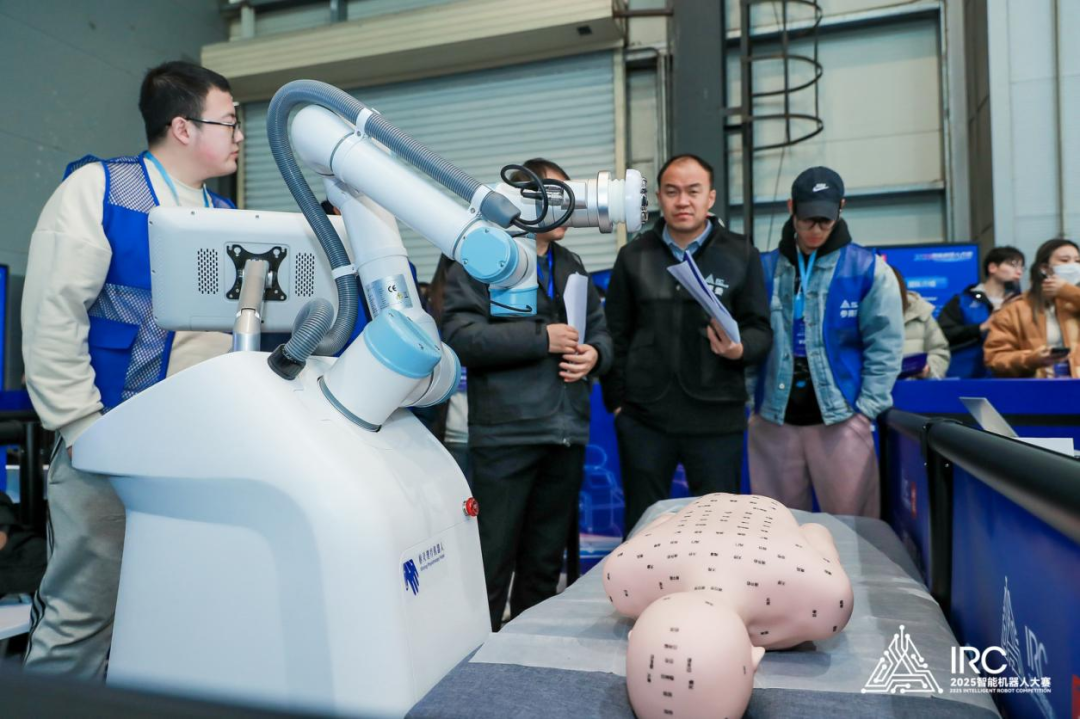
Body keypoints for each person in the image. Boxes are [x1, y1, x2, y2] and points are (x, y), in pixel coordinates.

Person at [21, 61, 242, 678]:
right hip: (108, 444)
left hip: (198, 452)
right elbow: (52, 314)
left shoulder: (226, 214)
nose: (239, 135)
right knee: (82, 617)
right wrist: (82, 428)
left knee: (180, 615)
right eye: (229, 121)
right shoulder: (102, 189)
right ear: (183, 127)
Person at [441, 158, 612, 631]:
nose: (566, 209)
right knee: (491, 562)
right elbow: (460, 336)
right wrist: (542, 339)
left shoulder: (571, 264)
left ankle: (529, 657)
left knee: (543, 566)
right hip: (506, 436)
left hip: (565, 435)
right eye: (554, 198)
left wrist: (594, 355)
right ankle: (475, 658)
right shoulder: (481, 256)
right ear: (523, 201)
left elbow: (601, 333)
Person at [602, 154, 772, 535]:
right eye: (672, 192)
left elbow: (761, 330)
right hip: (645, 418)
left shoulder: (741, 253)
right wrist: (618, 404)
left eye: (693, 192)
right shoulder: (634, 256)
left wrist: (739, 350)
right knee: (643, 528)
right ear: (659, 198)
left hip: (717, 417)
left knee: (718, 530)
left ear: (710, 198)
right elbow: (614, 334)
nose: (683, 201)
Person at [749, 166, 903, 518]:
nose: (816, 229)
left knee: (852, 528)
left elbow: (885, 344)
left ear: (841, 208)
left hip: (842, 419)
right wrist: (750, 404)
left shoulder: (868, 270)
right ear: (792, 208)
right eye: (808, 220)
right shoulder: (763, 269)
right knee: (777, 528)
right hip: (773, 419)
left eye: (825, 220)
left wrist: (866, 411)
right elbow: (749, 339)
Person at [984, 238, 1080, 378]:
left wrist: (1068, 291)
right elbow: (995, 358)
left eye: (1078, 261)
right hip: (1040, 386)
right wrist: (1032, 359)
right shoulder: (1015, 309)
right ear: (1044, 268)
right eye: (1064, 260)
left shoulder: (1075, 303)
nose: (1073, 266)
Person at [938, 246, 1024, 378]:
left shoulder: (1021, 304)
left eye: (1022, 267)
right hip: (964, 375)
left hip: (1007, 376)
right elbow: (943, 334)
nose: (1019, 271)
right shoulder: (963, 301)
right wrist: (981, 327)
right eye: (1013, 265)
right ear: (992, 268)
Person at [891, 265, 950, 379]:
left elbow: (940, 351)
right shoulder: (862, 317)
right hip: (876, 388)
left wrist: (929, 369)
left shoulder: (921, 313)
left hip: (916, 387)